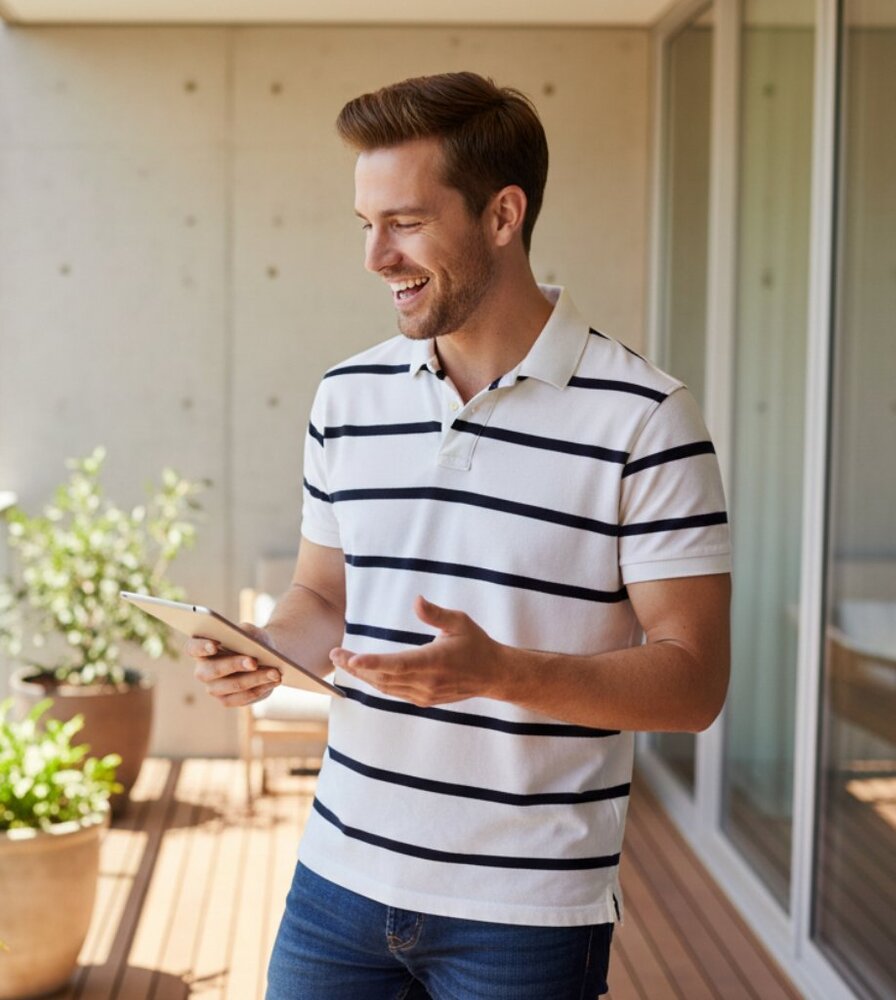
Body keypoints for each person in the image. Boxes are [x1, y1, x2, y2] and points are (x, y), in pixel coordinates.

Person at [188, 71, 731, 1000]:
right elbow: (325, 597)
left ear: (502, 215)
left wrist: (502, 673)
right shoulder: (346, 399)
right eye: (364, 224)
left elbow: (693, 683)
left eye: (402, 222)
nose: (375, 256)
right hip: (339, 877)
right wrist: (268, 650)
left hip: (525, 910)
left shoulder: (644, 417)